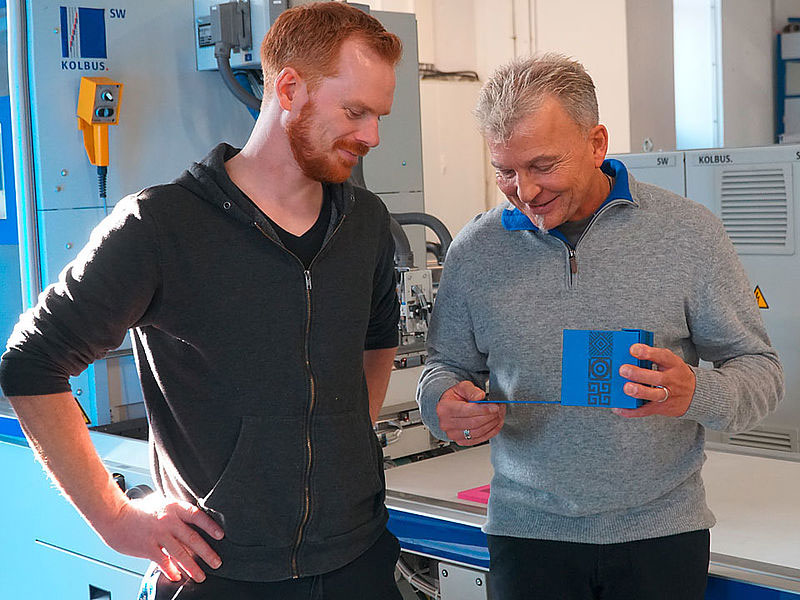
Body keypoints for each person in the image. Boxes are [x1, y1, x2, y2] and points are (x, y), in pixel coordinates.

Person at [0, 3, 405, 598]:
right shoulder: (160, 226)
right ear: (289, 88)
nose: (372, 136)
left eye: (379, 116)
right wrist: (115, 520)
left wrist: (342, 446)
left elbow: (376, 340)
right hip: (217, 572)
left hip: (359, 560)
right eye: (356, 111)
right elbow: (31, 362)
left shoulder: (365, 221)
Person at [416, 53, 784, 600]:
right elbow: (443, 367)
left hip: (660, 536)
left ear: (596, 144)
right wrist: (442, 401)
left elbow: (762, 373)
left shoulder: (688, 235)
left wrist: (696, 391)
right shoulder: (476, 249)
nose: (526, 190)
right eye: (506, 171)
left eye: (543, 166)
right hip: (527, 538)